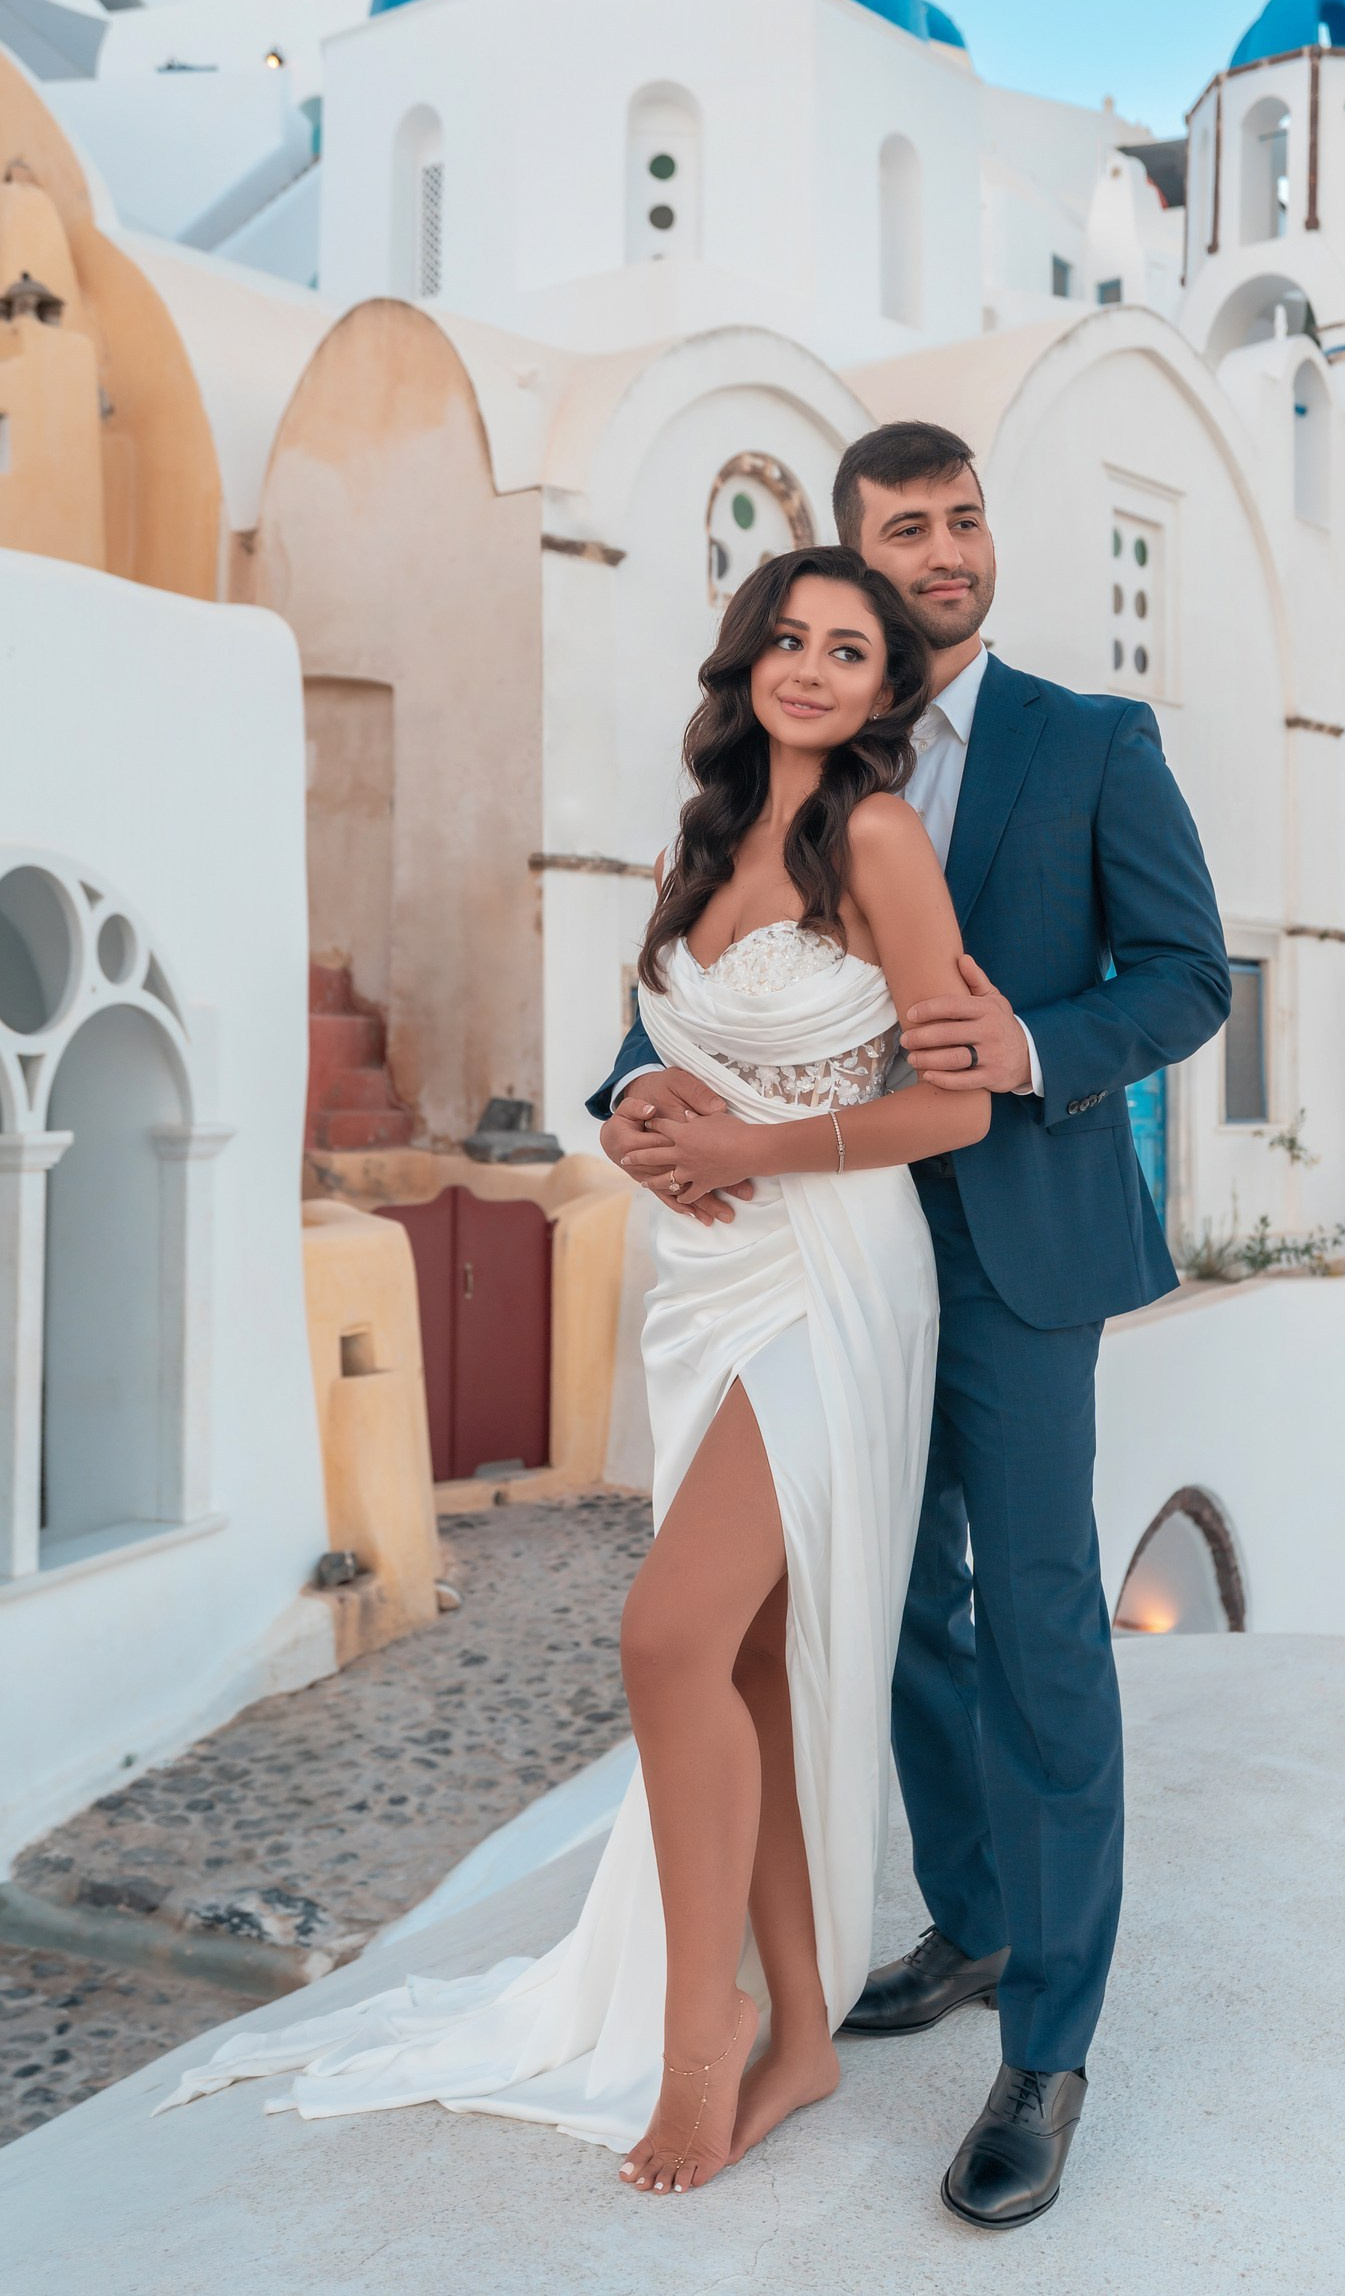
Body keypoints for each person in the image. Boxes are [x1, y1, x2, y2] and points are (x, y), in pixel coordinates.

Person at [158, 544, 990, 2199]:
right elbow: (657, 1060)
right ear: (745, 657)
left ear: (886, 689)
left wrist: (749, 1143)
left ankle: (701, 2034)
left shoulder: (881, 841)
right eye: (789, 638)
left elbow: (952, 1103)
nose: (812, 668)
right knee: (745, 1657)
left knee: (666, 1634)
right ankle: (803, 2031)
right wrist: (640, 1123)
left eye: (850, 650)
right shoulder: (698, 847)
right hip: (707, 1279)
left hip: (833, 1275)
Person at [598, 421, 1231, 2230]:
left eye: (966, 520)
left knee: (1035, 1631)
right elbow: (695, 999)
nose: (947, 550)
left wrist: (1031, 1045)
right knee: (887, 1620)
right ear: (848, 559)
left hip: (1013, 1254)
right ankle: (970, 1919)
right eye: (907, 529)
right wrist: (629, 1103)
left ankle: (1046, 2047)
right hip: (810, 1259)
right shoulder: (783, 776)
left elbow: (1186, 976)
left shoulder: (1092, 743)